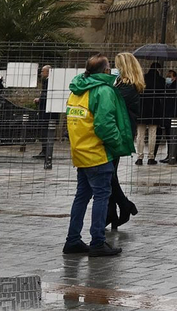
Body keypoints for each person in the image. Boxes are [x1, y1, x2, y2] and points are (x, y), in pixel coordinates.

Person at [64, 54, 130, 257]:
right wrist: (118, 144)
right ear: (104, 71)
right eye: (109, 67)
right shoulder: (102, 91)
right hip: (97, 153)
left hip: (80, 153)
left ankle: (73, 240)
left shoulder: (77, 90)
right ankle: (98, 242)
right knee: (102, 196)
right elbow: (104, 125)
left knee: (82, 197)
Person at [107, 52, 143, 230]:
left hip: (120, 134)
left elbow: (113, 105)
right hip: (120, 131)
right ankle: (112, 211)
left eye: (118, 66)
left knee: (109, 173)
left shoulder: (127, 87)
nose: (117, 69)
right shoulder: (122, 84)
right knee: (109, 173)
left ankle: (124, 205)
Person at [141, 62, 166, 164]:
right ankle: (151, 157)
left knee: (140, 134)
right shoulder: (161, 80)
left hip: (142, 109)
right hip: (154, 109)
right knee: (152, 133)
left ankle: (139, 157)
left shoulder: (143, 78)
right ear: (158, 70)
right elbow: (163, 93)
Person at [162, 69, 177, 164]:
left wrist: (174, 114)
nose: (168, 78)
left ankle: (173, 155)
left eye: (170, 76)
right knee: (168, 136)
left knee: (174, 136)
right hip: (166, 115)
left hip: (174, 116)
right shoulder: (166, 87)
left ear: (174, 77)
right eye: (167, 76)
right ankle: (169, 154)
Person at [35, 65, 57, 168]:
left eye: (42, 71)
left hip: (47, 111)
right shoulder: (49, 81)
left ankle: (46, 151)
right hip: (47, 110)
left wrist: (40, 100)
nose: (41, 74)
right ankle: (45, 150)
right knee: (44, 131)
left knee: (45, 131)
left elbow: (47, 95)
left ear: (48, 72)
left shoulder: (49, 82)